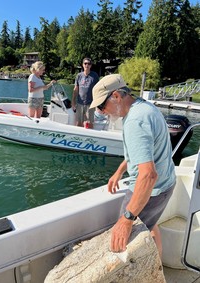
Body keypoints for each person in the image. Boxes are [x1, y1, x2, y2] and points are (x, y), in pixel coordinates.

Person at [90, 74, 176, 258]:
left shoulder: (135, 122)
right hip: (166, 185)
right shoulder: (144, 107)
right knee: (151, 225)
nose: (102, 112)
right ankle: (157, 273)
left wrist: (127, 219)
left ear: (116, 96)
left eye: (102, 106)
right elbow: (141, 153)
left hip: (150, 191)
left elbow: (148, 176)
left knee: (123, 245)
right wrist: (120, 171)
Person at [72, 58, 99, 127]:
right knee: (78, 123)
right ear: (83, 65)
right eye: (85, 63)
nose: (87, 65)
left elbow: (97, 90)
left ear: (91, 65)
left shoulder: (94, 76)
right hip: (79, 103)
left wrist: (97, 103)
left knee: (89, 124)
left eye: (89, 64)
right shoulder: (79, 76)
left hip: (90, 104)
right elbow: (76, 89)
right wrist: (73, 101)